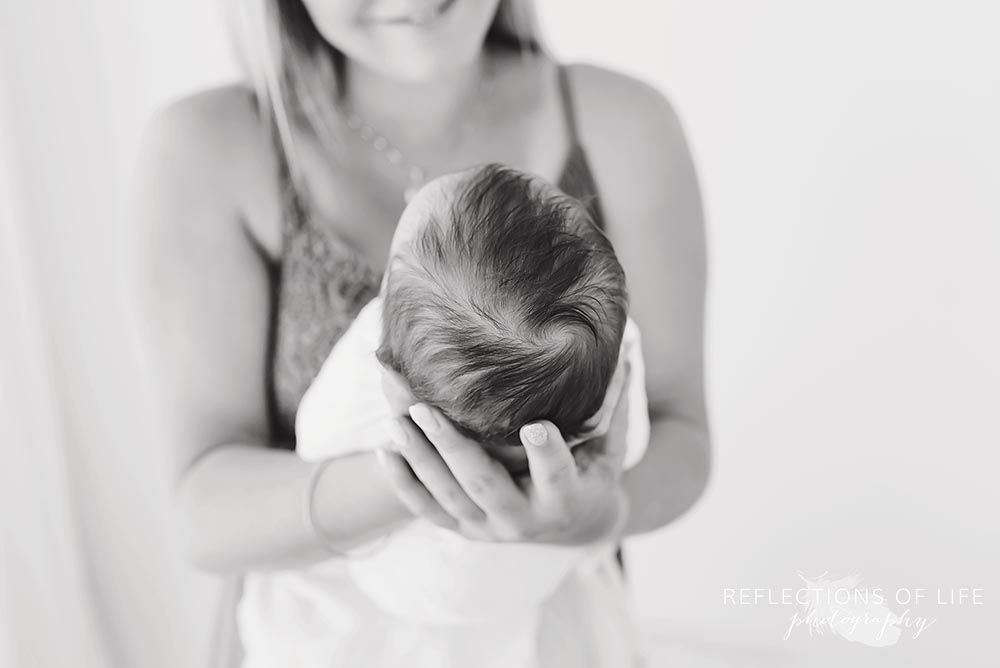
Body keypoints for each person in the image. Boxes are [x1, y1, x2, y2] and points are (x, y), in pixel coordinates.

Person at [128, 0, 710, 664]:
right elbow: (202, 512)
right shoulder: (210, 147)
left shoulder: (621, 124)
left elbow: (681, 433)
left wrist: (600, 514)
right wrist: (411, 483)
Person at [247, 164, 649, 665]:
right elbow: (631, 446)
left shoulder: (363, 384)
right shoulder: (611, 361)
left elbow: (315, 440)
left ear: (391, 377)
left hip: (393, 603)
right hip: (527, 605)